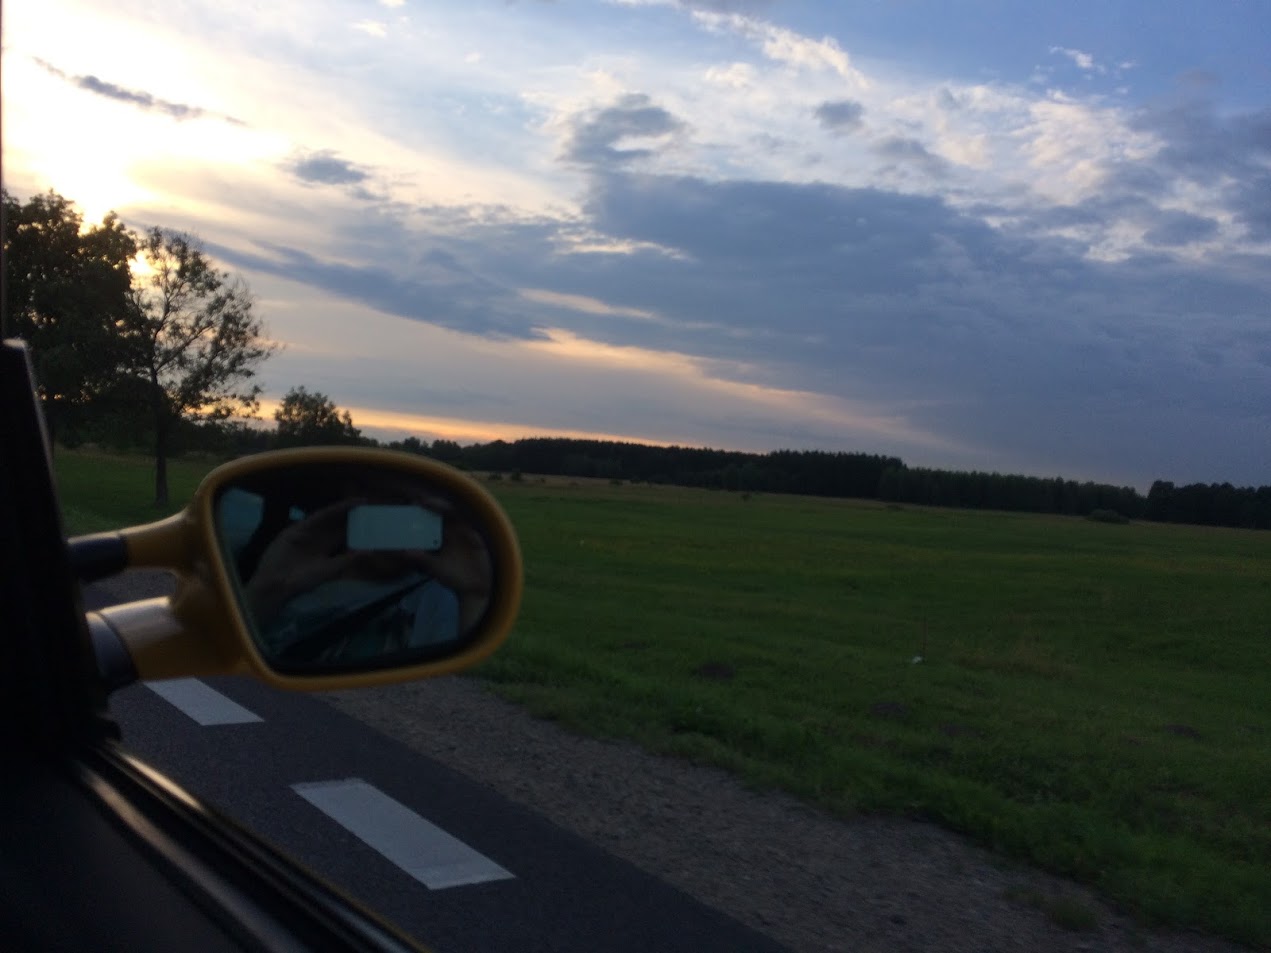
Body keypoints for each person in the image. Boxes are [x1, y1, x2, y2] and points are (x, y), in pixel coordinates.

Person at [216, 474, 493, 665]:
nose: (397, 524)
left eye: (413, 510)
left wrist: (475, 595)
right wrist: (270, 588)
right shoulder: (293, 573)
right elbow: (222, 659)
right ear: (352, 498)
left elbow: (460, 678)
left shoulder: (438, 597)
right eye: (389, 500)